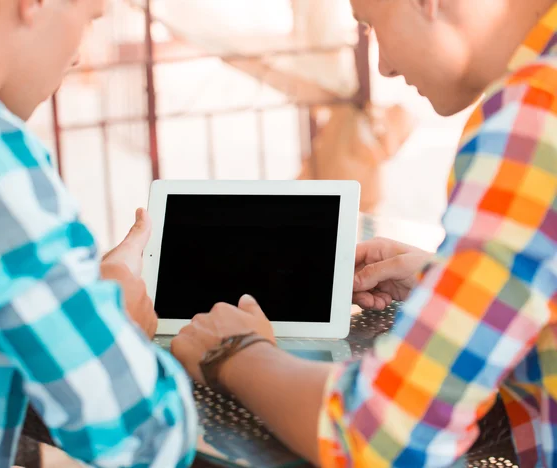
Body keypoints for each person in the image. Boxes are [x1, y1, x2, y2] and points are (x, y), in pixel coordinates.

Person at [171, 0, 557, 466]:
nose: (385, 66)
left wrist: (233, 353)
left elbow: (386, 437)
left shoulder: (533, 117)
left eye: (373, 24)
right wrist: (456, 284)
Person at [0, 1, 196, 467]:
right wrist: (117, 318)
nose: (78, 55)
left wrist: (76, 290)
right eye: (89, 18)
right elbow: (149, 436)